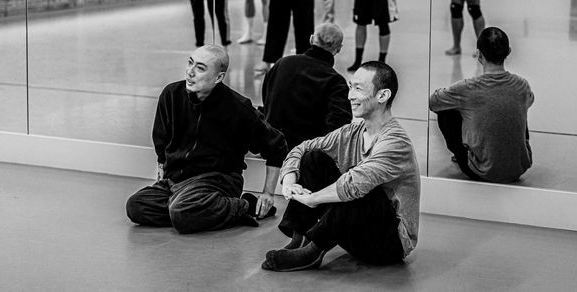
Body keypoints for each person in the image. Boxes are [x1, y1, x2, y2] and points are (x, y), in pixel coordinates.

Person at [262, 61, 420, 272]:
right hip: (359, 230)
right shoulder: (351, 133)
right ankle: (300, 238)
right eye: (350, 87)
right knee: (314, 157)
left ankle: (313, 251)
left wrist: (312, 199)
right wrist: (290, 179)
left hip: (388, 244)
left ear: (382, 96)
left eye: (358, 89)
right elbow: (302, 148)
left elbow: (353, 185)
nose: (350, 96)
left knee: (357, 187)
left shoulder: (395, 142)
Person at [125, 45, 288, 234]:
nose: (190, 72)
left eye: (200, 68)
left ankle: (244, 207)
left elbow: (276, 146)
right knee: (136, 206)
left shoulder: (238, 108)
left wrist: (268, 193)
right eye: (190, 63)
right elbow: (162, 140)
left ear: (218, 77)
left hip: (218, 181)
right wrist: (162, 167)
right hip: (176, 180)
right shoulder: (171, 95)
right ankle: (194, 210)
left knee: (180, 210)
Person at [428, 27, 534, 183]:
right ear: (508, 51)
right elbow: (530, 100)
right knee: (515, 104)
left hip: (482, 172)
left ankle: (464, 154)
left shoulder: (468, 88)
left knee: (446, 113)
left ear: (478, 55)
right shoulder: (522, 85)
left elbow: (433, 102)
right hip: (518, 168)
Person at [262, 22, 352, 151]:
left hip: (272, 144)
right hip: (306, 153)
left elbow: (267, 99)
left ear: (311, 39)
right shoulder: (336, 81)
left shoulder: (282, 64)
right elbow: (339, 128)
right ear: (338, 49)